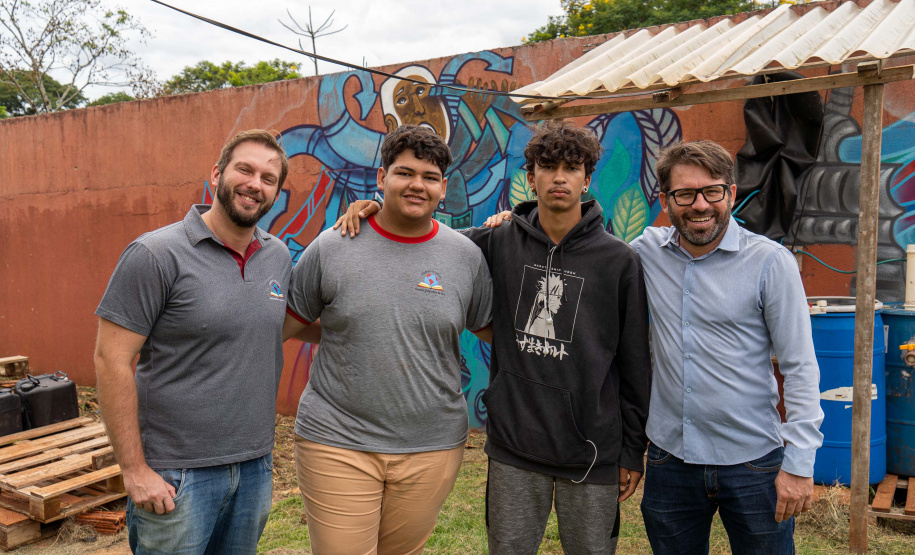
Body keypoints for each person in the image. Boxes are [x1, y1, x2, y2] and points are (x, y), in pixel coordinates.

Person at [337, 120, 652, 555]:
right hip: (514, 447)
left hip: (592, 452)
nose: (559, 177)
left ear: (587, 179)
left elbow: (635, 362)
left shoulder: (620, 262)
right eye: (547, 166)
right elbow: (426, 242)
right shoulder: (495, 243)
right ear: (530, 176)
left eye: (572, 167)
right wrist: (373, 211)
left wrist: (633, 451)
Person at [282, 125, 494, 555]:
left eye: (430, 177)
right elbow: (288, 321)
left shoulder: (465, 256)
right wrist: (342, 332)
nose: (417, 184)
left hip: (432, 446)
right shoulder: (333, 246)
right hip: (337, 439)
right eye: (405, 173)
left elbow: (493, 329)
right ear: (382, 178)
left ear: (443, 187)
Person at [94, 129, 307, 554]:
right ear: (216, 174)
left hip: (255, 468)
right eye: (244, 169)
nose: (254, 184)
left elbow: (286, 322)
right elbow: (110, 361)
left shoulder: (278, 256)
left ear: (276, 193)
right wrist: (134, 470)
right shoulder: (156, 254)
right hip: (176, 474)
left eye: (268, 178)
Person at [632, 140, 823, 554]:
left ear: (731, 193)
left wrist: (800, 461)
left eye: (712, 191)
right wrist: (518, 222)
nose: (700, 205)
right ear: (666, 201)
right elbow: (587, 254)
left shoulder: (771, 264)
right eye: (685, 194)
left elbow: (800, 366)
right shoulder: (646, 253)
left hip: (753, 462)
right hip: (670, 461)